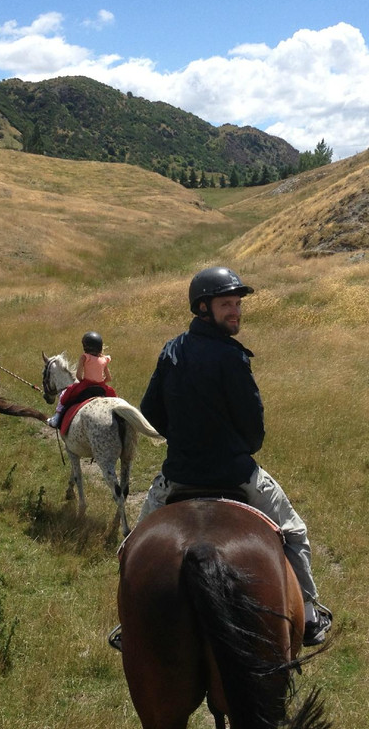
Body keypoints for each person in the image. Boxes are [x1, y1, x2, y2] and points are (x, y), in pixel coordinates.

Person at [137, 266, 332, 646]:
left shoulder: (171, 351)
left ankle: (133, 624)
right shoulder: (233, 357)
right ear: (203, 308)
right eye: (227, 304)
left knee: (135, 543)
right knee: (294, 534)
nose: (236, 311)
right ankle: (309, 615)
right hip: (236, 476)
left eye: (238, 304)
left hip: (178, 477)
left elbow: (151, 412)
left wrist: (185, 438)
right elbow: (254, 432)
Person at [47, 330, 117, 429]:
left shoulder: (84, 357)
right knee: (115, 399)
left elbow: (79, 376)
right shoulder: (104, 359)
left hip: (87, 384)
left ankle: (56, 418)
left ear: (85, 346)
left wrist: (86, 381)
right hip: (101, 385)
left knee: (64, 394)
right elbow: (109, 378)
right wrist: (100, 382)